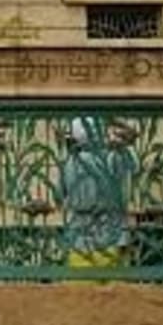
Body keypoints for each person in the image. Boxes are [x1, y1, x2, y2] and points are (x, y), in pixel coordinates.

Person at [62, 116, 136, 270]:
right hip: (110, 235)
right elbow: (133, 166)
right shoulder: (111, 158)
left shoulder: (70, 162)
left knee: (79, 283)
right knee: (113, 283)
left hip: (79, 238)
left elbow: (61, 193)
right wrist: (125, 138)